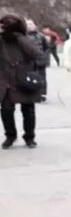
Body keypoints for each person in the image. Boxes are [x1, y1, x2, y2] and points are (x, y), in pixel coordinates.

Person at [0, 14, 46, 149]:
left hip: (24, 80)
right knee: (7, 110)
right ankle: (10, 135)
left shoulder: (24, 40)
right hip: (5, 80)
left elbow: (39, 56)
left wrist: (31, 70)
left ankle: (29, 136)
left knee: (28, 110)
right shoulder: (1, 41)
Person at [25, 19, 50, 102]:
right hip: (29, 62)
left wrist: (45, 59)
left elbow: (46, 48)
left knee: (41, 78)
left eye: (31, 24)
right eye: (28, 24)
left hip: (40, 61)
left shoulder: (41, 36)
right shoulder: (23, 37)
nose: (30, 26)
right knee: (30, 78)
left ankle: (41, 94)